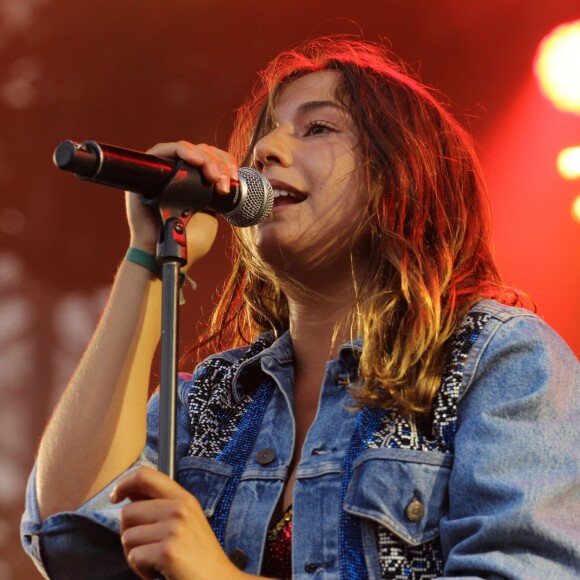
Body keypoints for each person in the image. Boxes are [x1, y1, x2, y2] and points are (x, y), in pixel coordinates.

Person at [21, 36, 579, 579]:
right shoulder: (216, 399)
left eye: (317, 127)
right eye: (264, 136)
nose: (263, 151)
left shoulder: (498, 361)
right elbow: (69, 539)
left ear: (402, 176)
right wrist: (146, 257)